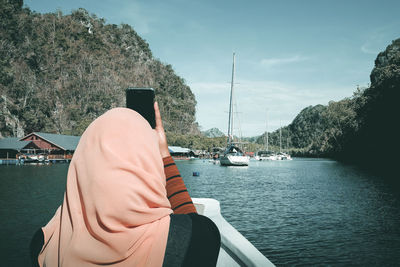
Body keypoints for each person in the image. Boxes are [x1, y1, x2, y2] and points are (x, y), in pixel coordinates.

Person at [30, 102, 220, 267]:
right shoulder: (200, 238)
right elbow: (191, 224)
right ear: (149, 161)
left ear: (82, 160)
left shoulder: (43, 243)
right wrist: (164, 153)